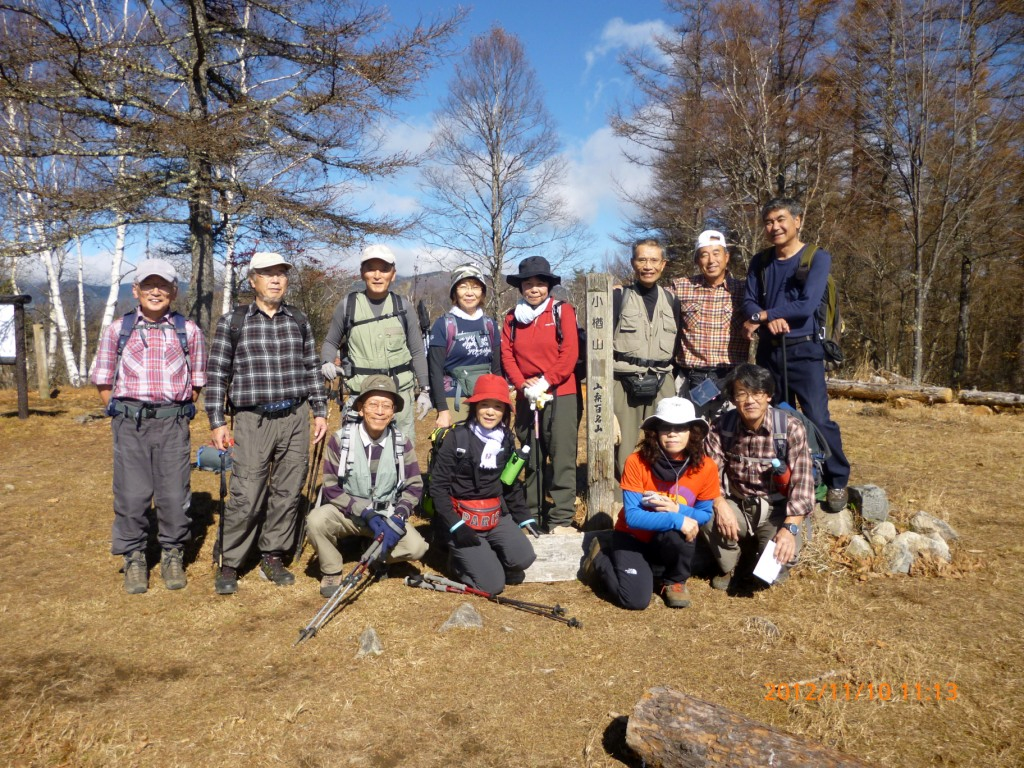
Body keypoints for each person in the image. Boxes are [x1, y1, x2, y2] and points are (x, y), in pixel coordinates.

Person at [205, 251, 328, 595]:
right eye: (267, 274)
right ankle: (230, 561)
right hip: (251, 419)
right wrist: (217, 420)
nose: (275, 280)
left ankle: (272, 555)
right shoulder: (233, 321)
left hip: (294, 416)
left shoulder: (298, 320)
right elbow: (216, 373)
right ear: (252, 280)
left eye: (281, 274)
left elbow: (311, 368)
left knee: (289, 491)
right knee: (246, 492)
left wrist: (320, 410)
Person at [91, 259, 208, 594]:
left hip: (173, 424)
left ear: (173, 291)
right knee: (131, 495)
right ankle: (134, 556)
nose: (155, 291)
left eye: (163, 285)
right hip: (130, 424)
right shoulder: (119, 329)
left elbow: (196, 381)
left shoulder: (189, 331)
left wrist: (177, 411)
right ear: (136, 290)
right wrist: (118, 411)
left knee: (174, 494)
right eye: (148, 285)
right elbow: (102, 379)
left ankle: (172, 553)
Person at [742, 198, 850, 512]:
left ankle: (837, 479)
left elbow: (804, 306)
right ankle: (786, 479)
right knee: (775, 419)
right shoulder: (760, 262)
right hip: (769, 351)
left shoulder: (817, 257)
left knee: (818, 417)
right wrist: (764, 317)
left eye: (781, 219)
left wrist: (764, 317)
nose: (774, 227)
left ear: (797, 220)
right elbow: (748, 302)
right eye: (768, 222)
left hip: (804, 350)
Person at [581, 397, 719, 610]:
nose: (672, 433)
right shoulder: (637, 462)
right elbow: (633, 516)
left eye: (680, 427)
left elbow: (704, 513)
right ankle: (600, 557)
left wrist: (678, 510)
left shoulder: (706, 467)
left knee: (680, 532)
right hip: (633, 537)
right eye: (665, 427)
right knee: (635, 601)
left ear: (693, 432)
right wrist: (676, 518)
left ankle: (674, 581)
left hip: (668, 540)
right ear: (655, 432)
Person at [304, 375, 427, 596]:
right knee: (316, 520)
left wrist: (399, 515)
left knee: (417, 547)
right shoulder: (340, 440)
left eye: (386, 405)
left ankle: (375, 554)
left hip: (387, 514)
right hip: (350, 512)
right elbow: (331, 486)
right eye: (373, 404)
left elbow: (414, 486)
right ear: (360, 408)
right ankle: (332, 568)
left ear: (393, 412)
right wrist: (365, 513)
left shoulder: (402, 443)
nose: (380, 411)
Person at [700, 364, 814, 591]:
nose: (749, 400)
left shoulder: (790, 428)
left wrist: (789, 529)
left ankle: (758, 559)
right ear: (733, 398)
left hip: (776, 509)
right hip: (736, 503)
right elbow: (707, 473)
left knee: (776, 566)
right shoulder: (722, 426)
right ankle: (732, 562)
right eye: (741, 394)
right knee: (702, 512)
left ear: (768, 396)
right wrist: (720, 503)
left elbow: (802, 485)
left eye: (757, 393)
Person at [428, 374, 537, 595]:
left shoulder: (505, 438)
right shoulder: (456, 438)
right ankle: (458, 564)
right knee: (493, 586)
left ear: (505, 411)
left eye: (497, 406)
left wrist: (524, 515)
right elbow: (437, 488)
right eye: (485, 405)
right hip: (461, 518)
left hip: (494, 515)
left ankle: (485, 556)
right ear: (475, 407)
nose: (490, 412)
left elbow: (509, 482)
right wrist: (456, 526)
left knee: (525, 558)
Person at [500, 256, 580, 533]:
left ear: (549, 286)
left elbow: (569, 353)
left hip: (561, 393)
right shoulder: (512, 318)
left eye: (539, 284)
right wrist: (523, 385)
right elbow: (507, 355)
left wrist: (545, 382)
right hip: (526, 396)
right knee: (530, 456)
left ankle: (560, 518)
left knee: (561, 455)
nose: (534, 289)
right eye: (528, 284)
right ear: (521, 287)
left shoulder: (562, 311)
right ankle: (531, 514)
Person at [320, 244, 430, 440]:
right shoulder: (347, 306)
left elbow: (417, 351)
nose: (377, 275)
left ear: (393, 274)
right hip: (360, 396)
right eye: (371, 269)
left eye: (384, 269)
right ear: (362, 273)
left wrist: (425, 390)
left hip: (399, 397)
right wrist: (327, 361)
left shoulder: (404, 308)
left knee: (402, 457)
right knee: (356, 458)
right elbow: (330, 342)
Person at [612, 239, 680, 486]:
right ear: (633, 263)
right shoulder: (618, 296)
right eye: (642, 259)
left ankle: (660, 491)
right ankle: (621, 498)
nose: (648, 266)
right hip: (623, 377)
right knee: (624, 444)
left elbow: (678, 343)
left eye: (653, 260)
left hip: (663, 379)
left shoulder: (672, 300)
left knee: (665, 439)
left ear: (663, 264)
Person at [672, 229, 748, 416]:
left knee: (729, 437)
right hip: (690, 377)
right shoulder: (681, 286)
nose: (711, 260)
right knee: (690, 437)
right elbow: (652, 296)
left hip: (731, 378)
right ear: (698, 260)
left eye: (716, 253)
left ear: (727, 256)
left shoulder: (744, 290)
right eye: (704, 255)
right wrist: (624, 290)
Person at [427, 264, 501, 429]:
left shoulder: (489, 324)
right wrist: (442, 409)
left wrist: (499, 402)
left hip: (486, 400)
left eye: (475, 287)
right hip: (455, 401)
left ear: (482, 292)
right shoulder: (443, 325)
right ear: (454, 292)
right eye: (463, 287)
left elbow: (497, 370)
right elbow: (435, 371)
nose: (469, 293)